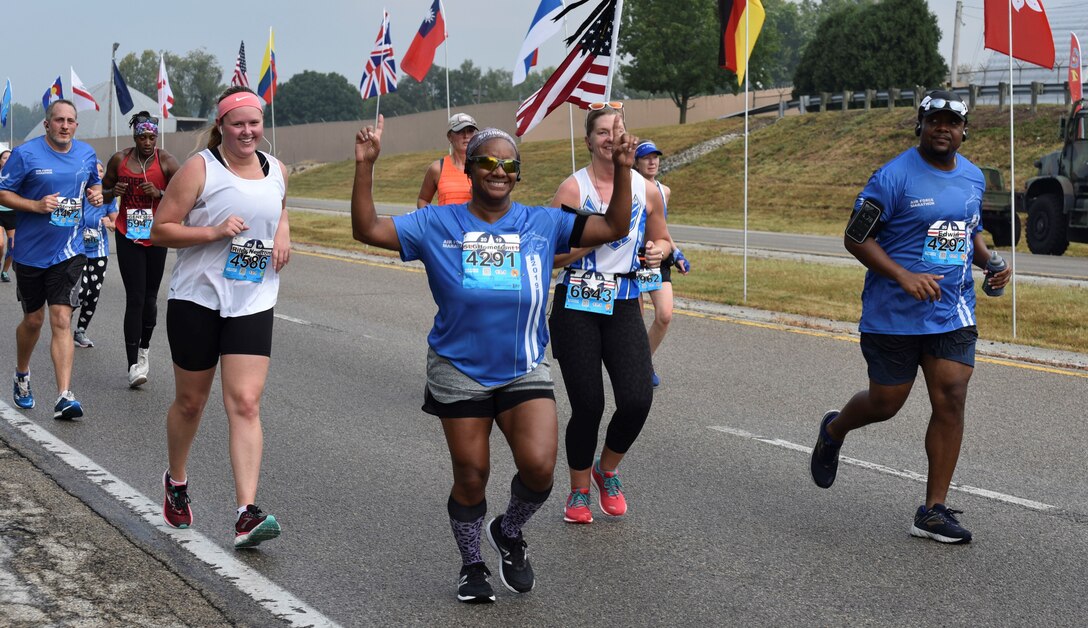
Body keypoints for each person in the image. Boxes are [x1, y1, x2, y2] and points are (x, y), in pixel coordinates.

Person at [350, 116, 636, 603]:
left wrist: (624, 169)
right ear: (470, 169)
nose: (499, 171)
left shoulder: (543, 222)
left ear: (518, 174)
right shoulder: (437, 222)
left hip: (524, 365)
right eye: (487, 161)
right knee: (471, 474)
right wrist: (365, 167)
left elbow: (613, 226)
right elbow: (367, 229)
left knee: (540, 468)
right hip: (459, 368)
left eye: (509, 165)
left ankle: (508, 530)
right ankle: (471, 564)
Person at [809, 89, 1012, 545]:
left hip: (952, 309)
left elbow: (969, 232)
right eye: (934, 120)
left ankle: (933, 510)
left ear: (964, 131)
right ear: (919, 124)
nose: (943, 128)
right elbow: (855, 237)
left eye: (952, 122)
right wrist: (903, 275)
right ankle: (834, 430)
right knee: (886, 403)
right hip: (893, 314)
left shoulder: (973, 177)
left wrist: (990, 263)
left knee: (952, 395)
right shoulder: (892, 177)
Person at [150, 86, 290, 549]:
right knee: (191, 403)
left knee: (246, 403)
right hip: (198, 299)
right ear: (222, 126)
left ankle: (246, 513)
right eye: (238, 124)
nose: (247, 131)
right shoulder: (200, 168)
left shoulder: (276, 170)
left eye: (254, 123)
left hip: (253, 299)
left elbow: (278, 206)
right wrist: (213, 231)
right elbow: (160, 230)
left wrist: (283, 232)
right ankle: (176, 480)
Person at [548, 103, 671, 525]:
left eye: (616, 130)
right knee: (589, 405)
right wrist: (598, 234)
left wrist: (657, 252)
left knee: (637, 398)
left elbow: (663, 239)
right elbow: (551, 256)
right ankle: (579, 490)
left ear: (627, 137)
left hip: (623, 300)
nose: (609, 138)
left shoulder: (645, 190)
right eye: (601, 132)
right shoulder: (572, 190)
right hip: (576, 301)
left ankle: (608, 469)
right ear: (588, 141)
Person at [0, 99, 103, 420]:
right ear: (47, 124)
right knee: (34, 320)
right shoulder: (25, 154)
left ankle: (64, 395)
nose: (65, 126)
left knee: (61, 318)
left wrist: (96, 193)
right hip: (30, 252)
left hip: (69, 250)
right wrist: (35, 205)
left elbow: (94, 182)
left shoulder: (86, 153)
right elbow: (2, 193)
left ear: (76, 125)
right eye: (59, 120)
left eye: (70, 121)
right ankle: (22, 373)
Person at [102, 112, 180, 387]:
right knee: (134, 298)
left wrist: (160, 194)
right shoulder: (119, 160)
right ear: (134, 136)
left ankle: (144, 349)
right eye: (142, 137)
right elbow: (102, 192)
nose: (147, 142)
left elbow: (184, 196)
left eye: (151, 137)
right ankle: (132, 364)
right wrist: (114, 192)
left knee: (150, 298)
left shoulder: (166, 161)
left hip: (156, 236)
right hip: (128, 235)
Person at [632, 140, 691, 388]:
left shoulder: (664, 191)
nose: (652, 161)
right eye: (646, 157)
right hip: (632, 260)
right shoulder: (628, 188)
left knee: (664, 315)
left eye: (655, 157)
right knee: (636, 319)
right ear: (636, 162)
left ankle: (643, 364)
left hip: (656, 258)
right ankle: (636, 366)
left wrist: (676, 252)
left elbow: (661, 230)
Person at [72, 161, 119, 348]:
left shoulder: (107, 198)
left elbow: (116, 223)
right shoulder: (76, 193)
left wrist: (110, 222)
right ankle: (63, 322)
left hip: (99, 251)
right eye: (94, 171)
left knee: (93, 293)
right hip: (77, 250)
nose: (97, 174)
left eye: (100, 171)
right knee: (82, 290)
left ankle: (80, 331)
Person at [415, 113, 478, 208]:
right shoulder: (437, 168)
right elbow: (423, 200)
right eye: (460, 131)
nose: (466, 136)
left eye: (470, 131)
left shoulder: (484, 166)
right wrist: (432, 216)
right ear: (449, 136)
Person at [0, 149, 15, 283]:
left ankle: (4, 271)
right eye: (4, 158)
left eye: (10, 158)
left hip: (13, 213)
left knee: (12, 246)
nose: (7, 160)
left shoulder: (17, 174)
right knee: (0, 244)